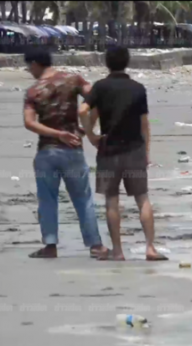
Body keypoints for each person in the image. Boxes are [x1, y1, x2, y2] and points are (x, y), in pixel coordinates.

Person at [79, 46, 167, 261]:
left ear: (106, 63)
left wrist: (90, 135)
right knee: (142, 199)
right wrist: (146, 152)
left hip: (109, 151)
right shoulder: (138, 88)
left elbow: (83, 111)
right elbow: (144, 124)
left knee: (111, 201)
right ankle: (150, 248)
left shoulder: (100, 87)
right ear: (127, 62)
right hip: (134, 149)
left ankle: (118, 251)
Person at [23, 48, 108, 259]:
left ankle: (50, 246)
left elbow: (29, 123)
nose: (28, 70)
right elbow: (97, 100)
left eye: (28, 66)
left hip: (47, 151)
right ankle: (95, 245)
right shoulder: (73, 79)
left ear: (35, 63)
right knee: (83, 199)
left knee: (47, 200)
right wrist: (85, 128)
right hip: (73, 149)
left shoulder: (33, 91)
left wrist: (57, 134)